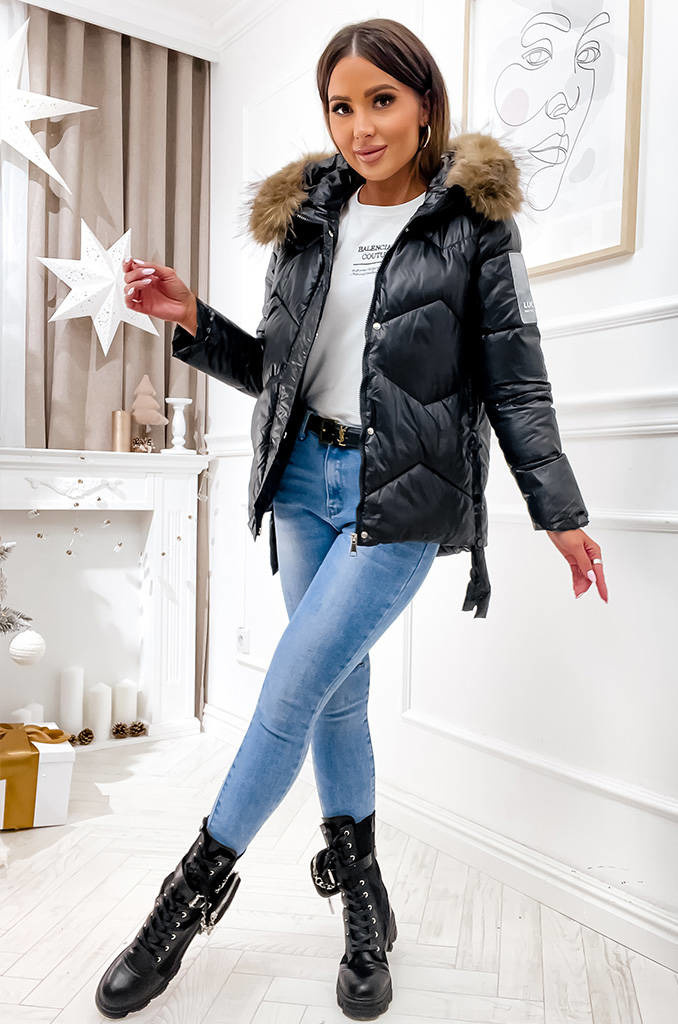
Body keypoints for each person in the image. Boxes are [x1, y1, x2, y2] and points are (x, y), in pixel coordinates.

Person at [95, 17, 608, 1022]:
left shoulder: (473, 225)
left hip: (402, 493)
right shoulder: (307, 218)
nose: (361, 127)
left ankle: (185, 898)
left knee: (291, 687)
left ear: (424, 103)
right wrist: (193, 319)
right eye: (342, 107)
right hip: (301, 482)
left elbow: (516, 380)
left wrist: (560, 511)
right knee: (335, 696)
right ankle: (365, 909)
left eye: (382, 101)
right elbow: (278, 372)